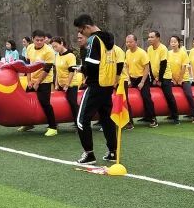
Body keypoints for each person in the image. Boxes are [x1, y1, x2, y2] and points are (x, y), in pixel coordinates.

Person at [72, 14, 120, 165]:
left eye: (81, 30)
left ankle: (89, 154)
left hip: (95, 85)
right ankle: (113, 152)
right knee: (106, 119)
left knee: (81, 120)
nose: (81, 34)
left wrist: (82, 69)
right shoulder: (109, 38)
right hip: (107, 85)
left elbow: (92, 65)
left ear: (87, 27)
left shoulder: (93, 40)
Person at [23, 30, 59, 136]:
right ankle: (29, 124)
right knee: (26, 101)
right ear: (32, 39)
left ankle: (53, 127)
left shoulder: (49, 51)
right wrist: (29, 81)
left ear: (44, 40)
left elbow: (46, 70)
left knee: (45, 102)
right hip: (33, 79)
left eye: (41, 40)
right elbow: (28, 66)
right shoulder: (29, 48)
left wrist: (38, 82)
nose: (39, 42)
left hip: (45, 80)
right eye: (37, 40)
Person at [147, 30, 179, 124]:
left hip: (165, 76)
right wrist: (153, 78)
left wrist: (160, 79)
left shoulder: (163, 48)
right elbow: (149, 64)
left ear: (158, 38)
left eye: (152, 37)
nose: (149, 39)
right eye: (149, 37)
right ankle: (147, 116)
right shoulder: (149, 49)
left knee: (169, 96)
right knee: (146, 94)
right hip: (155, 77)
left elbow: (163, 64)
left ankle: (175, 116)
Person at [124, 34, 156, 128]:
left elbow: (147, 68)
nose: (128, 44)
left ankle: (153, 119)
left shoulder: (142, 53)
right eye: (127, 42)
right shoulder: (127, 52)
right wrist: (128, 79)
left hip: (142, 78)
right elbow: (127, 66)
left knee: (146, 96)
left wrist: (142, 82)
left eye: (130, 42)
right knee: (125, 96)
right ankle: (129, 121)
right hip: (132, 78)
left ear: (136, 42)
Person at [167, 35, 194, 123]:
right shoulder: (168, 53)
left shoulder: (183, 53)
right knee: (167, 93)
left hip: (184, 79)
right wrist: (173, 79)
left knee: (189, 95)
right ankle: (172, 114)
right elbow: (168, 67)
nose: (173, 44)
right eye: (171, 42)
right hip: (172, 79)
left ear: (178, 43)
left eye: (175, 42)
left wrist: (180, 79)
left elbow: (184, 67)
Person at [51, 37, 81, 129]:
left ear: (61, 43)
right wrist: (56, 84)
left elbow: (72, 71)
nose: (54, 49)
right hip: (60, 84)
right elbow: (57, 71)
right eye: (53, 47)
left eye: (56, 46)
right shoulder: (57, 55)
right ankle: (54, 123)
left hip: (71, 84)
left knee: (72, 102)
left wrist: (67, 85)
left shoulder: (70, 56)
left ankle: (79, 123)